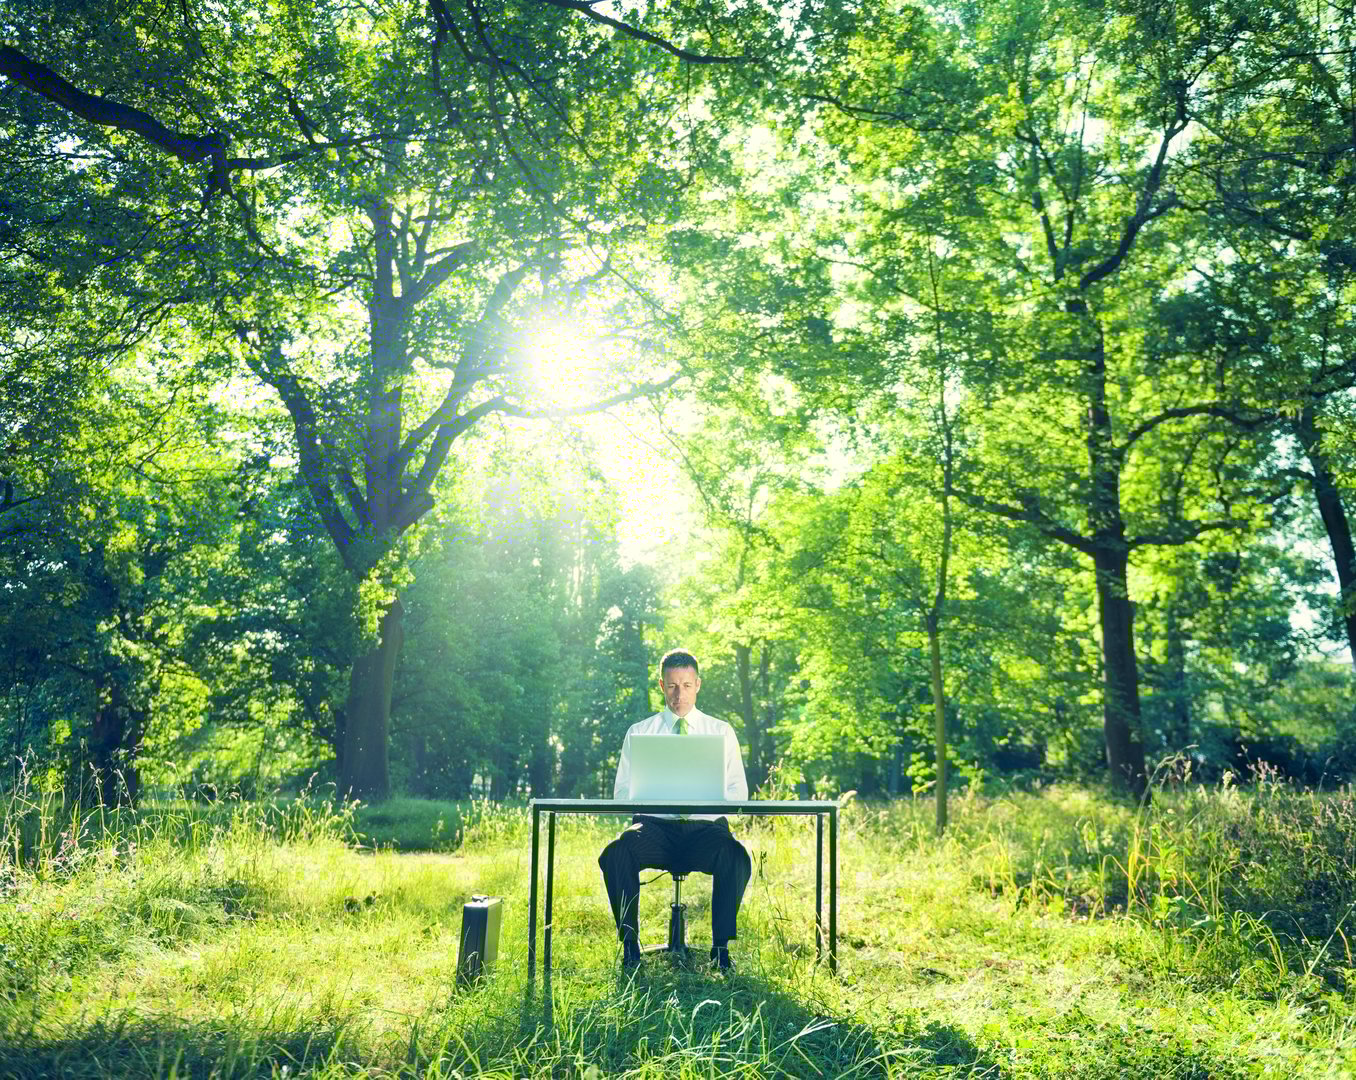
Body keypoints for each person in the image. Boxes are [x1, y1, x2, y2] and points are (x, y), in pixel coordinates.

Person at [597, 648, 751, 973]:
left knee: (735, 855)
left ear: (697, 685)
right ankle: (630, 948)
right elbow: (621, 793)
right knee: (616, 853)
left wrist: (705, 795)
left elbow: (739, 792)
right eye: (671, 685)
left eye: (685, 685)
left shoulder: (720, 732)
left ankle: (721, 950)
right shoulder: (639, 733)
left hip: (705, 832)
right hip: (654, 830)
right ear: (661, 686)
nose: (678, 694)